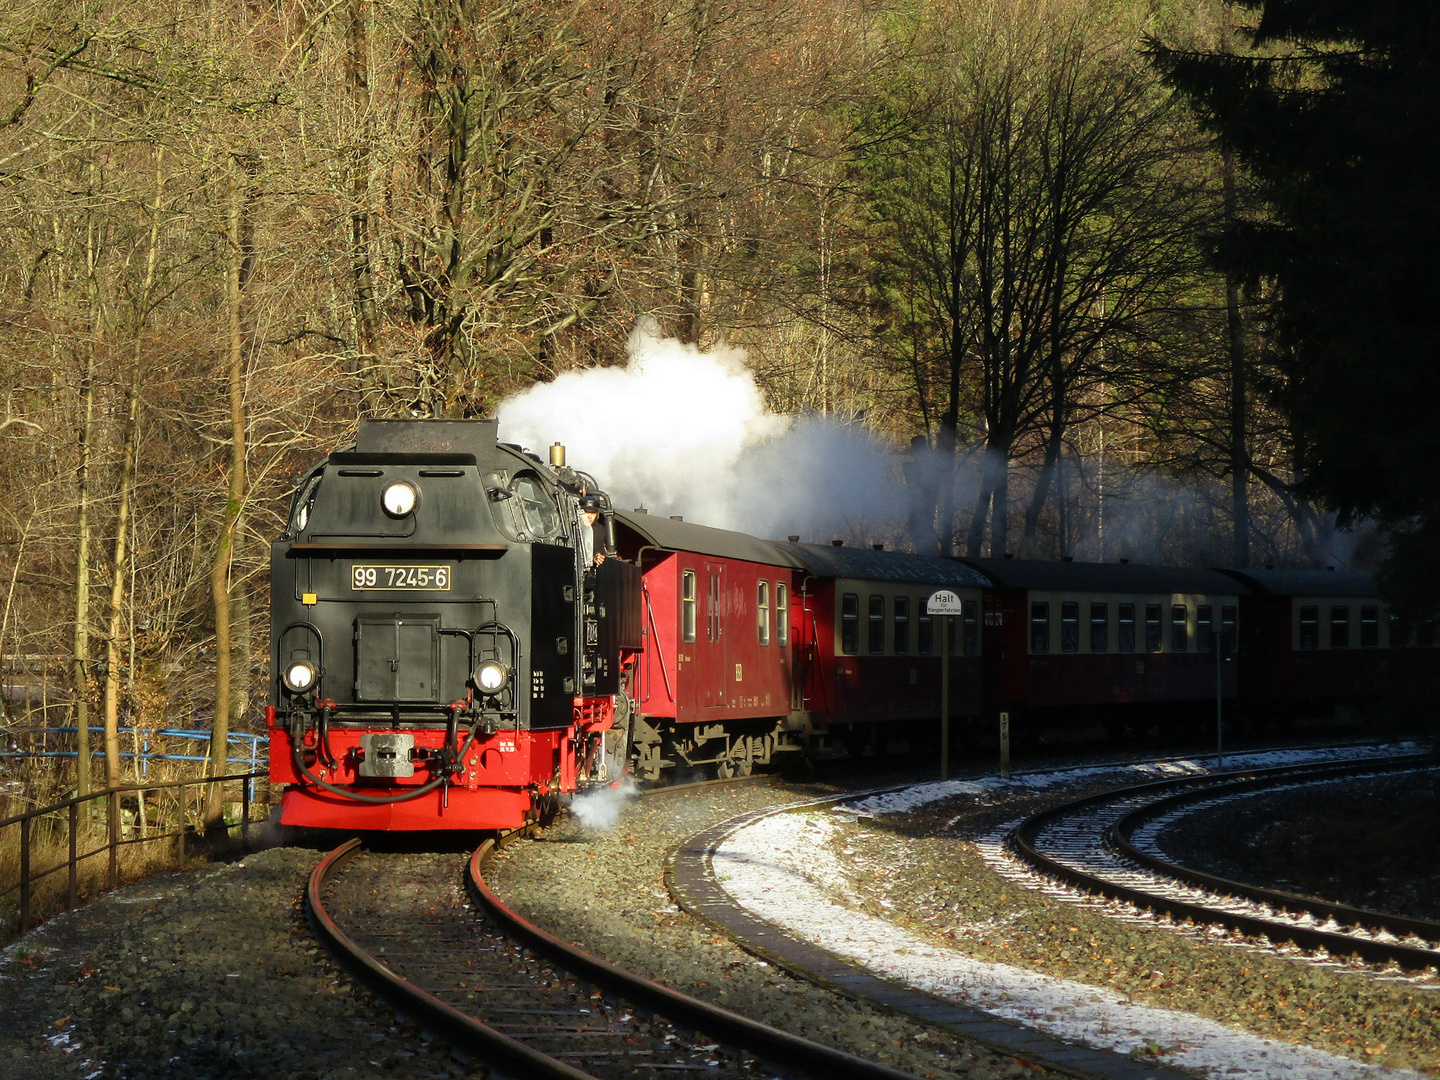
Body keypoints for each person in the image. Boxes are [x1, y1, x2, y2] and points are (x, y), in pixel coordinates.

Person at [577, 494, 606, 567]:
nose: (589, 516)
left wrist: (597, 557)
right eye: (586, 512)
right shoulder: (570, 527)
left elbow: (602, 553)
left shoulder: (600, 530)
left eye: (593, 513)